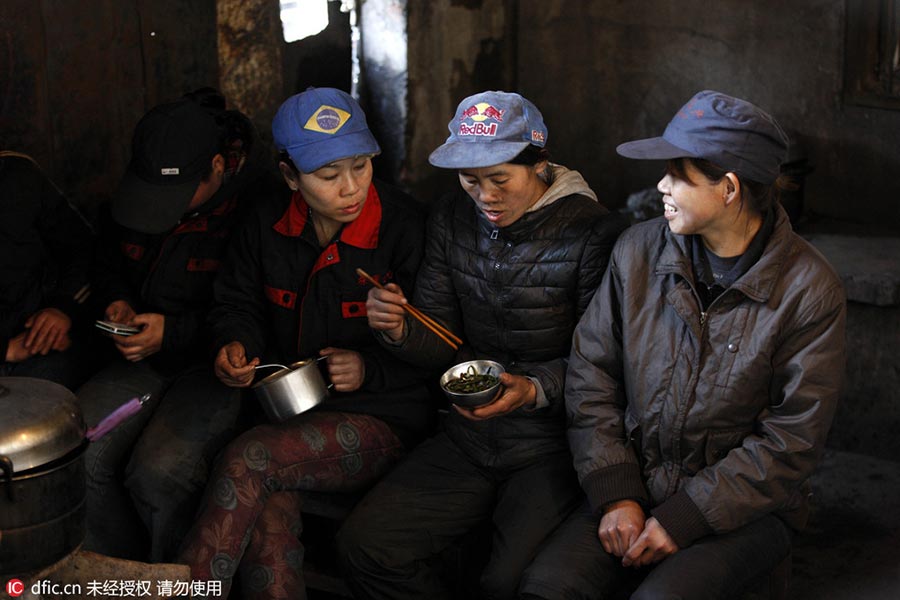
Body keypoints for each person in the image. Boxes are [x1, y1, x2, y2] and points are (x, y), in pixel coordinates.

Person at [519, 90, 847, 599]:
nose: (660, 185)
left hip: (746, 510)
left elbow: (790, 442)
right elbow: (592, 373)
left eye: (678, 174)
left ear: (729, 188)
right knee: (547, 588)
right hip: (635, 483)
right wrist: (617, 493)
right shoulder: (638, 251)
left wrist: (685, 517)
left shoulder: (808, 289)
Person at [337, 90, 627, 600]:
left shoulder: (594, 231)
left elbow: (601, 363)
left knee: (505, 582)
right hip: (467, 437)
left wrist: (534, 387)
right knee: (366, 545)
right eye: (471, 180)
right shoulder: (451, 216)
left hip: (550, 446)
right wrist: (399, 327)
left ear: (539, 165)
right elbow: (438, 334)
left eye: (499, 180)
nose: (485, 196)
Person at [176, 87, 433, 600]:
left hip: (384, 418)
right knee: (269, 505)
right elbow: (236, 302)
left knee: (251, 459)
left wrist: (370, 367)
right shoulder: (265, 222)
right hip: (289, 418)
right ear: (290, 175)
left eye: (360, 166)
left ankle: (179, 593)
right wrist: (233, 343)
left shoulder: (407, 229)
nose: (351, 187)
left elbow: (446, 344)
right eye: (328, 175)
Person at [78, 91, 264, 561]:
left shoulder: (260, 208)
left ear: (218, 166)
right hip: (142, 359)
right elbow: (106, 263)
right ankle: (123, 578)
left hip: (213, 368)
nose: (164, 209)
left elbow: (259, 313)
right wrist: (116, 302)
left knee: (159, 472)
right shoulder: (134, 199)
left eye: (177, 195)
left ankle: (178, 583)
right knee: (79, 452)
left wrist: (177, 332)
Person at [0, 151, 98, 390]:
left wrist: (63, 308)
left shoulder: (16, 174)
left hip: (37, 345)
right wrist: (5, 350)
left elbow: (84, 248)